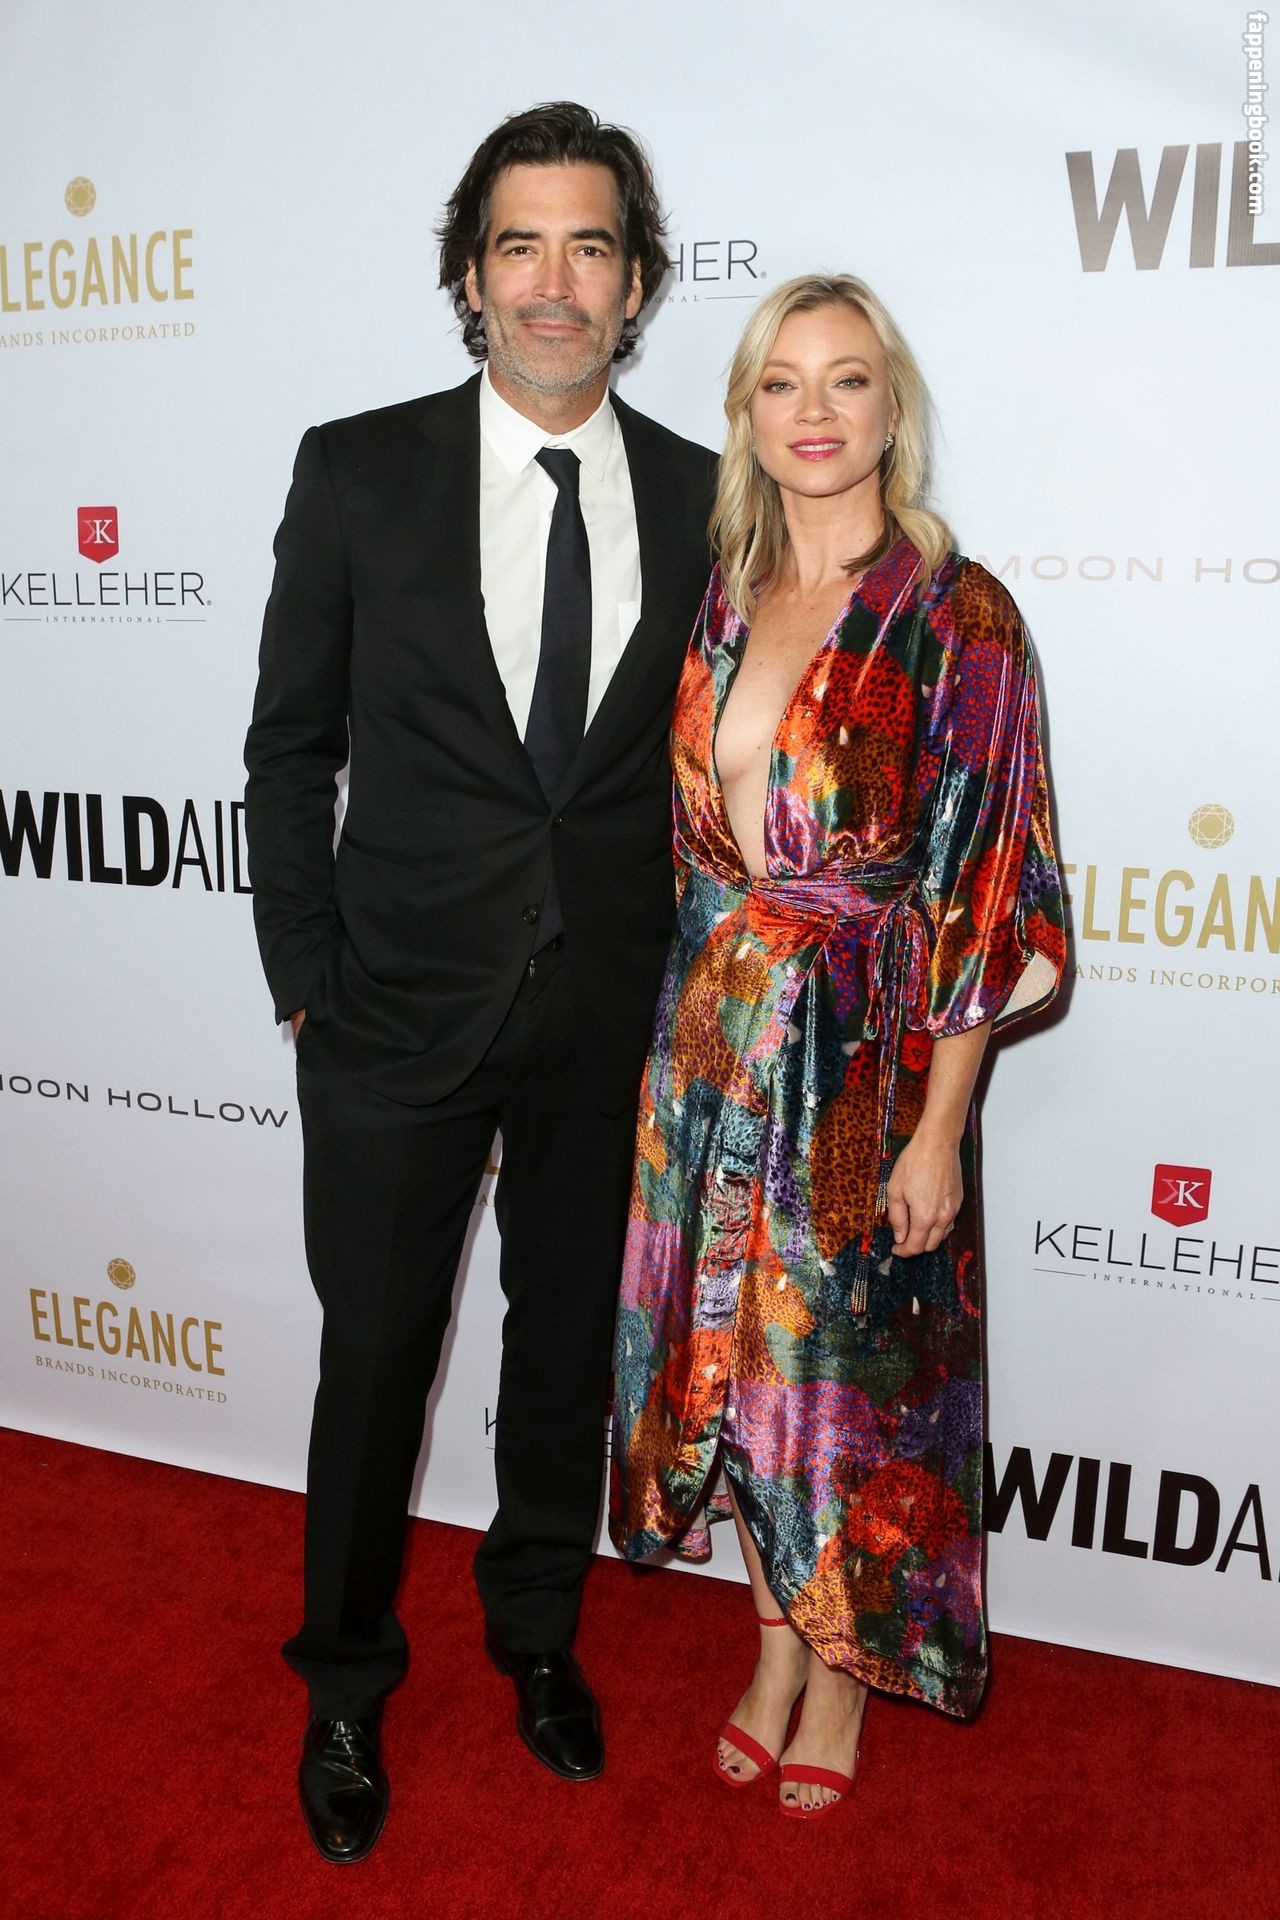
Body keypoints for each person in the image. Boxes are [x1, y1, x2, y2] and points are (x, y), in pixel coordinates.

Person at [244, 101, 716, 1862]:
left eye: (592, 246)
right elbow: (290, 746)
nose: (554, 283)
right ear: (468, 274)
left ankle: (535, 1632)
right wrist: (307, 974)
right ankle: (345, 1680)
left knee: (564, 1344)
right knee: (374, 1361)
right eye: (521, 244)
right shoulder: (356, 471)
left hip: (608, 1016)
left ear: (637, 284)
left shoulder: (705, 495)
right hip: (390, 1013)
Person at [609, 273, 1065, 1817]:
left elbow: (985, 891)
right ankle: (770, 1651)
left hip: (866, 1071)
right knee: (734, 1372)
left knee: (847, 1391)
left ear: (891, 408)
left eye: (846, 379)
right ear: (746, 412)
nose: (814, 411)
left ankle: (846, 1673)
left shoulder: (956, 615)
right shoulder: (725, 597)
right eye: (781, 382)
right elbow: (689, 852)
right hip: (708, 1052)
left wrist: (940, 1131)